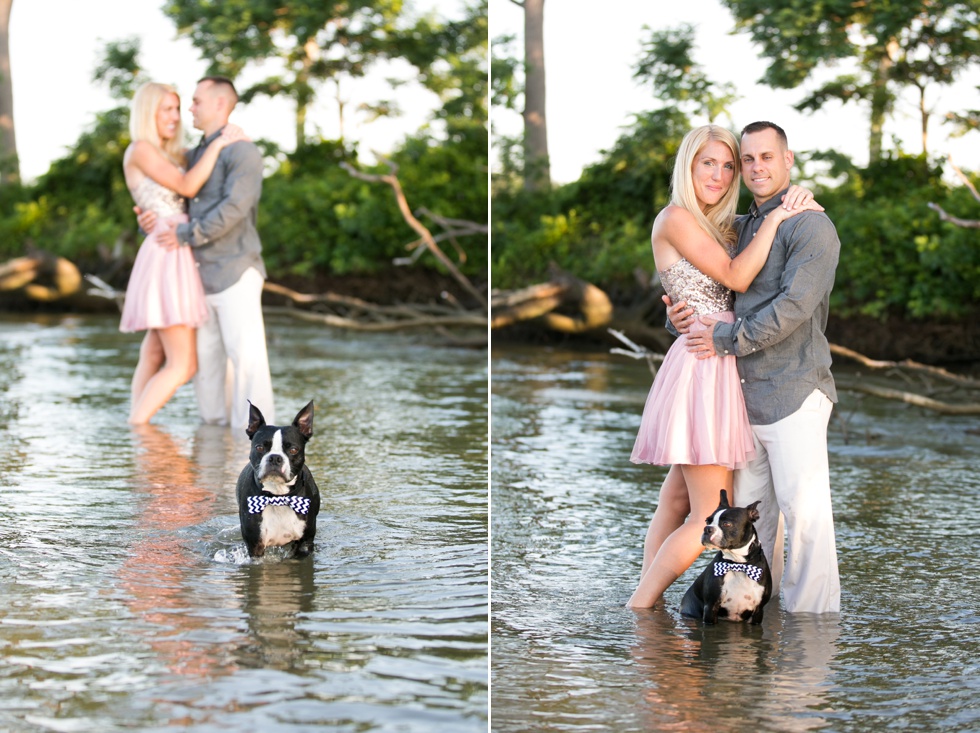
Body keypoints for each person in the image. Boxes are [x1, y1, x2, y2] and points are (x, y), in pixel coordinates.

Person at [626, 125, 822, 609]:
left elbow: (705, 287)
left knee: (675, 502)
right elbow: (735, 276)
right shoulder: (676, 217)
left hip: (713, 359)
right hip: (705, 364)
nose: (719, 174)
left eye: (727, 165)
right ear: (687, 167)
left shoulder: (722, 224)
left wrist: (792, 200)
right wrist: (779, 217)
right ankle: (641, 607)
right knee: (702, 516)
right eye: (706, 163)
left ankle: (645, 610)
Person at [669, 121, 842, 614]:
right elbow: (709, 293)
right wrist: (676, 316)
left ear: (788, 160)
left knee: (805, 521)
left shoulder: (812, 226)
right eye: (748, 160)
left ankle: (810, 642)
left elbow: (793, 309)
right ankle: (758, 628)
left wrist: (723, 339)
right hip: (741, 399)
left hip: (794, 393)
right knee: (747, 530)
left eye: (767, 157)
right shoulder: (740, 227)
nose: (756, 167)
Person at [140, 76, 276, 429]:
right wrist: (147, 216)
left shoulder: (243, 151)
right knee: (208, 372)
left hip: (235, 271)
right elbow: (167, 194)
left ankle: (255, 460)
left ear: (219, 104)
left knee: (248, 366)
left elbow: (235, 209)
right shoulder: (191, 154)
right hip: (196, 277)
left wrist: (186, 233)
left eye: (197, 100)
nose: (190, 108)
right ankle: (214, 459)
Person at [120, 81, 247, 425]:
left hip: (173, 247)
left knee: (154, 351)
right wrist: (221, 141)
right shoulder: (141, 149)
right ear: (148, 112)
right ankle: (138, 427)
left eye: (178, 108)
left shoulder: (173, 154)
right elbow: (189, 186)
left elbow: (179, 198)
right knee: (184, 364)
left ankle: (135, 438)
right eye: (167, 109)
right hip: (167, 252)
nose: (175, 116)